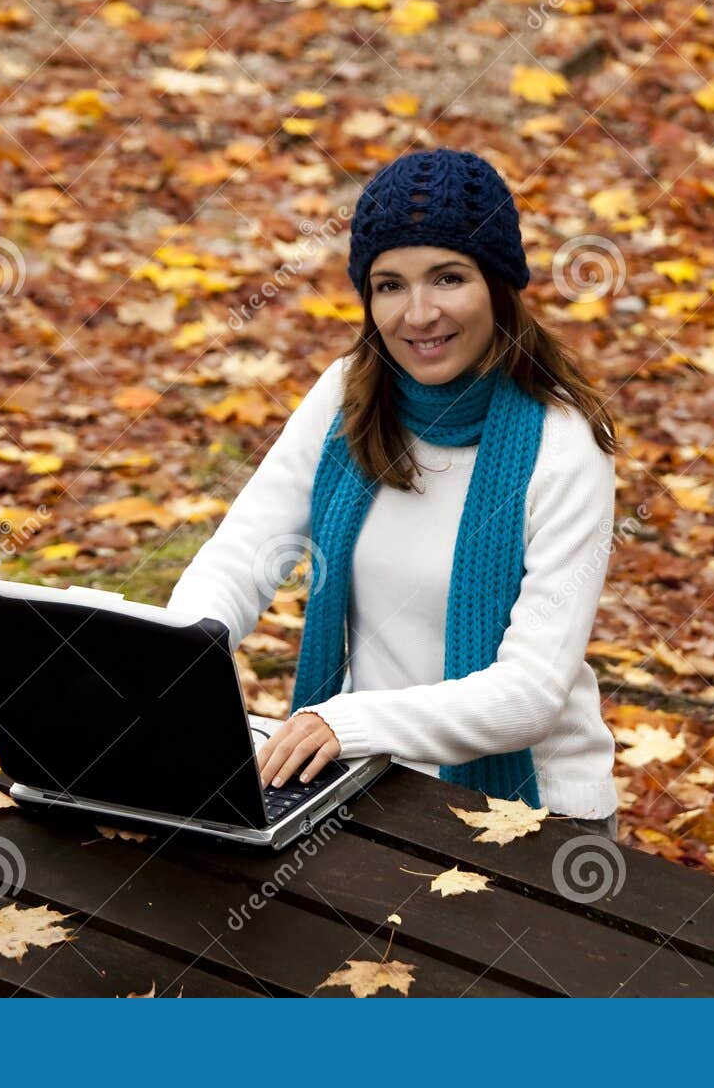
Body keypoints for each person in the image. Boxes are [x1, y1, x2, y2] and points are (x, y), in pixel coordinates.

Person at [164, 147, 621, 840]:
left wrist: (341, 721)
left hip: (534, 813)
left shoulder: (564, 447)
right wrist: (180, 662)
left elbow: (528, 694)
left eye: (447, 277)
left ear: (499, 284)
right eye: (389, 284)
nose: (419, 313)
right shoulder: (348, 394)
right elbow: (242, 555)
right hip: (371, 780)